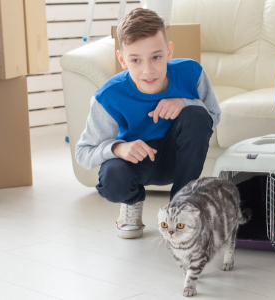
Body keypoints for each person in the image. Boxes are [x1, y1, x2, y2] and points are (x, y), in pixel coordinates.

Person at [75, 8, 220, 239]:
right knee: (113, 177)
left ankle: (180, 211)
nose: (148, 70)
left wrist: (184, 102)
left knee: (196, 115)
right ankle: (132, 203)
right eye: (135, 60)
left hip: (177, 158)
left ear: (169, 51)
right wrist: (118, 148)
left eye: (156, 56)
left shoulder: (192, 73)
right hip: (136, 163)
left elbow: (213, 116)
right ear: (122, 60)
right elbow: (82, 153)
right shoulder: (109, 96)